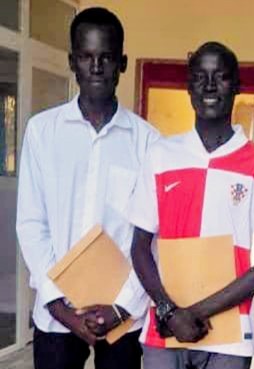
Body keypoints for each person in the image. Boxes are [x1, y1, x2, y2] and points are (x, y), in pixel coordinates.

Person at [127, 41, 254, 369]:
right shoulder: (160, 155)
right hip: (165, 328)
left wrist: (195, 313)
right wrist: (168, 310)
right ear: (189, 87)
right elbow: (139, 247)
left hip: (230, 333)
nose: (209, 85)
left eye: (220, 76)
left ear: (238, 86)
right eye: (200, 76)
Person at [16, 7, 159, 369]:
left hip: (123, 315)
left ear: (122, 63)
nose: (96, 67)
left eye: (106, 57)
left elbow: (153, 237)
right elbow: (32, 225)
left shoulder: (148, 142)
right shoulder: (42, 132)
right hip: (56, 314)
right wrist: (60, 307)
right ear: (72, 62)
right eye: (86, 56)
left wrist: (122, 306)